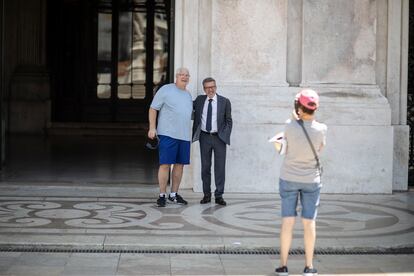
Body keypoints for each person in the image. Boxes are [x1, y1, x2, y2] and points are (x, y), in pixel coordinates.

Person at [275, 89, 327, 276]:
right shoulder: (322, 129)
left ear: (299, 107)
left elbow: (288, 134)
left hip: (289, 177)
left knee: (287, 222)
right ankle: (309, 266)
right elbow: (320, 149)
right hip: (311, 180)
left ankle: (283, 265)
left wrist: (295, 114)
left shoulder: (289, 126)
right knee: (309, 222)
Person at [148, 67, 193, 207]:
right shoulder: (166, 90)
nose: (184, 77)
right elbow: (153, 108)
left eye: (187, 75)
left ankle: (173, 194)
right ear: (176, 76)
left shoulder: (188, 94)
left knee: (180, 166)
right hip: (167, 134)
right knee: (165, 164)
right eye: (182, 75)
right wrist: (152, 127)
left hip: (184, 136)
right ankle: (162, 195)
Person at [192, 77, 232, 206]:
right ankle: (206, 195)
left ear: (216, 87)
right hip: (204, 137)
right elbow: (186, 107)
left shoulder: (224, 101)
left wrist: (225, 135)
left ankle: (219, 195)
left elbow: (228, 120)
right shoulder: (199, 100)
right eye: (208, 87)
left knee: (220, 168)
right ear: (204, 89)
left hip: (219, 138)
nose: (211, 89)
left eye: (213, 86)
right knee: (205, 167)